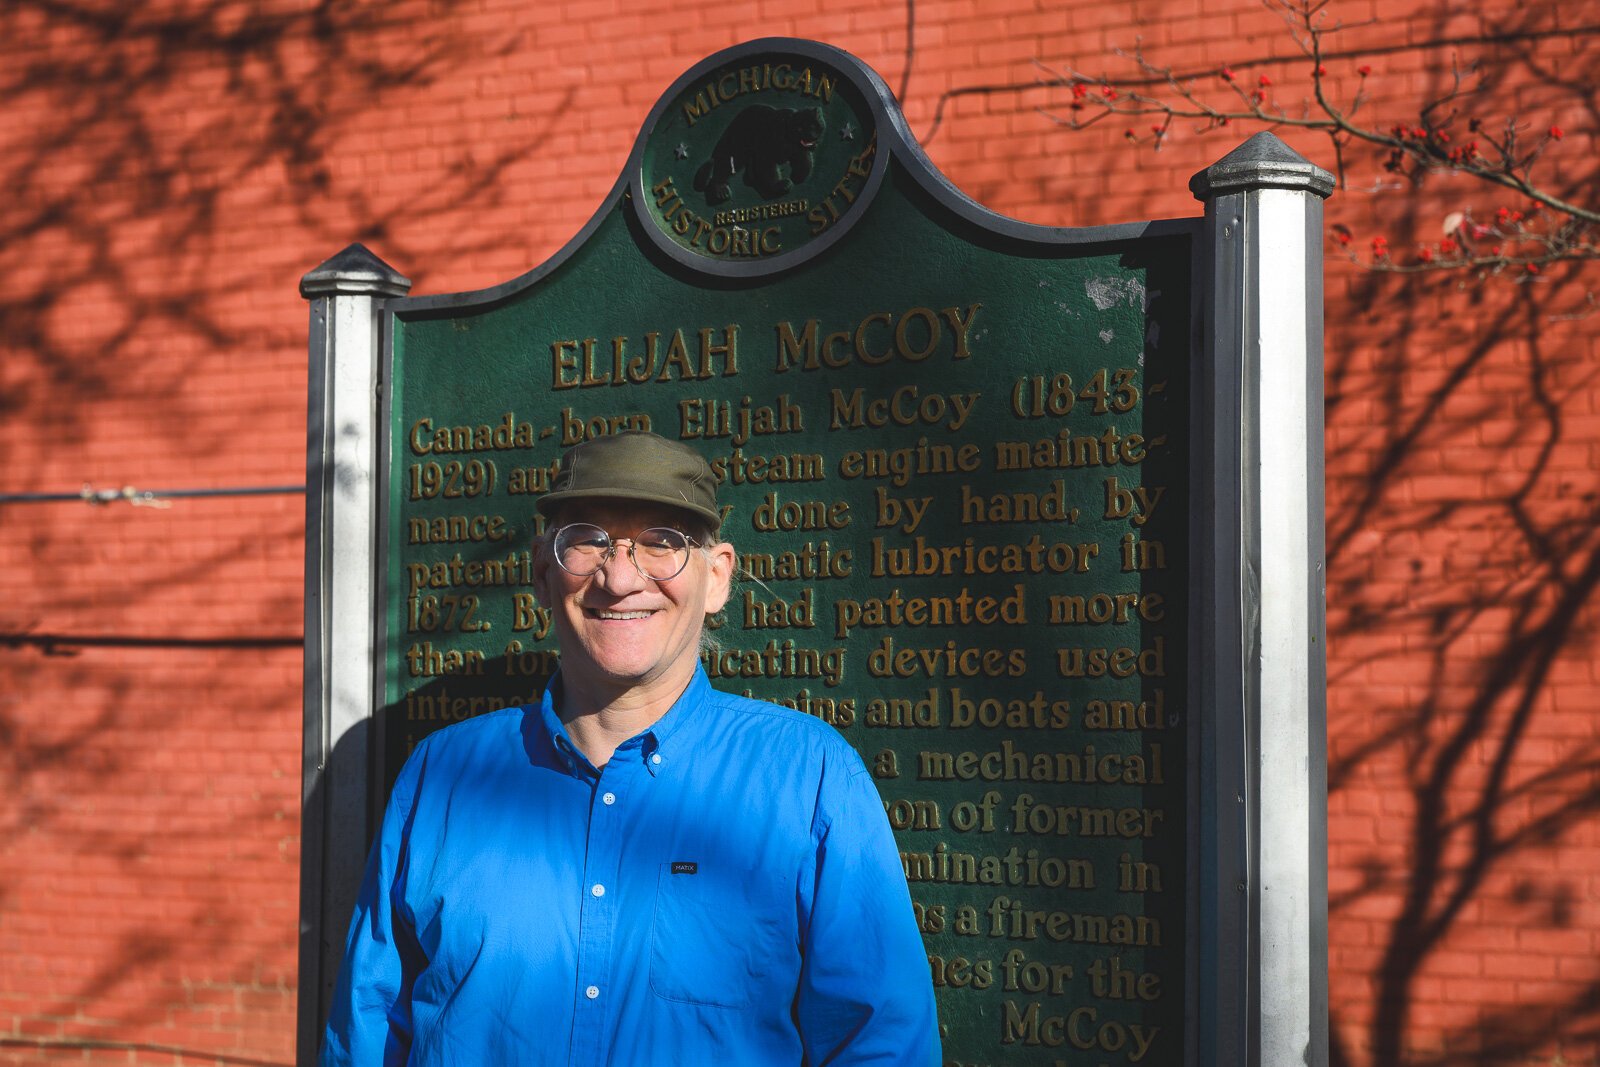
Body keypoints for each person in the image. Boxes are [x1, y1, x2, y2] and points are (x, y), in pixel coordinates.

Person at [321, 430, 939, 1066]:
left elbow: (881, 1045)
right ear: (542, 570)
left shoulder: (808, 776)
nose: (619, 577)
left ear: (718, 576)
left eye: (661, 543)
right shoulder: (441, 774)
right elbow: (367, 1028)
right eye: (587, 541)